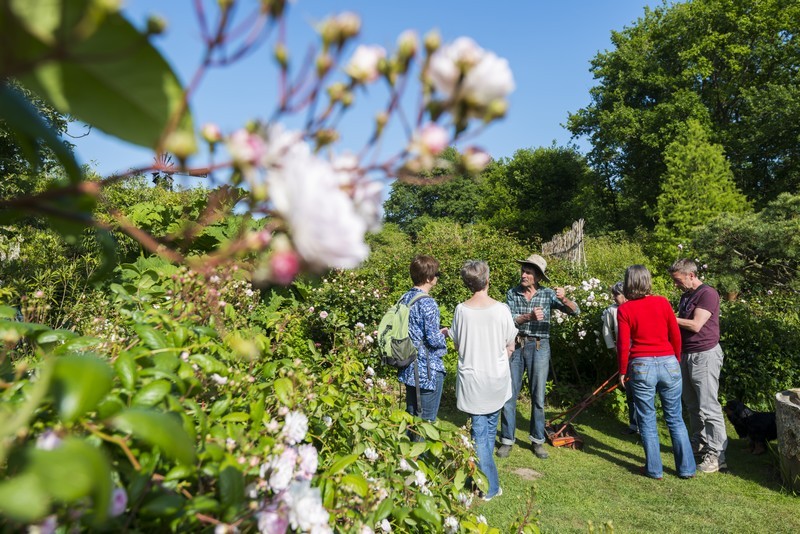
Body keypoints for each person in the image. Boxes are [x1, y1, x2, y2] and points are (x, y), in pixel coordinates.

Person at [617, 265, 695, 480]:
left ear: (628, 282)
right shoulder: (662, 302)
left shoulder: (625, 309)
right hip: (669, 362)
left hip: (642, 365)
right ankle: (687, 469)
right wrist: (676, 359)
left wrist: (622, 371)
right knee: (675, 418)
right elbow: (675, 335)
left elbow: (624, 344)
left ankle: (654, 469)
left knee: (647, 419)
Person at [498, 254, 579, 459]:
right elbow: (509, 322)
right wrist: (529, 317)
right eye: (523, 271)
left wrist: (564, 299)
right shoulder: (512, 293)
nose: (523, 275)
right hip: (516, 346)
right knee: (509, 394)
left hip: (539, 347)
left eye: (528, 272)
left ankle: (537, 441)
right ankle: (507, 440)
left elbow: (575, 311)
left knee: (538, 396)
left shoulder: (547, 294)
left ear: (538, 277)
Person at [447, 260, 517, 501]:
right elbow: (511, 344)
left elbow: (457, 344)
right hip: (496, 379)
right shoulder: (502, 309)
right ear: (488, 280)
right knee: (484, 433)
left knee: (481, 435)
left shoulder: (461, 310)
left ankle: (487, 484)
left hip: (474, 379)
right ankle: (489, 485)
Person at [669, 258, 728, 473]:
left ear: (691, 275)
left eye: (678, 280)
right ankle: (700, 443)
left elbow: (695, 325)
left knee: (708, 406)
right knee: (692, 404)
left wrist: (668, 317)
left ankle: (717, 455)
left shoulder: (708, 294)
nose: (676, 284)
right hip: (687, 354)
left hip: (705, 355)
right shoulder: (686, 296)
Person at [398, 255, 448, 433]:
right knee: (425, 423)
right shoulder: (428, 303)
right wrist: (444, 336)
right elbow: (433, 340)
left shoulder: (404, 298)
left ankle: (407, 457)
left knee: (412, 417)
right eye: (437, 274)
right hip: (427, 370)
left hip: (408, 365)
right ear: (428, 278)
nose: (438, 277)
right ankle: (420, 459)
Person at [602, 282, 638, 434]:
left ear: (624, 294)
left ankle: (643, 426)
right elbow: (606, 330)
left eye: (616, 294)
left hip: (638, 354)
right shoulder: (612, 310)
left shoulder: (636, 307)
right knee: (629, 390)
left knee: (639, 391)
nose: (614, 298)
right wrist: (613, 349)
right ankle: (633, 425)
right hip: (624, 353)